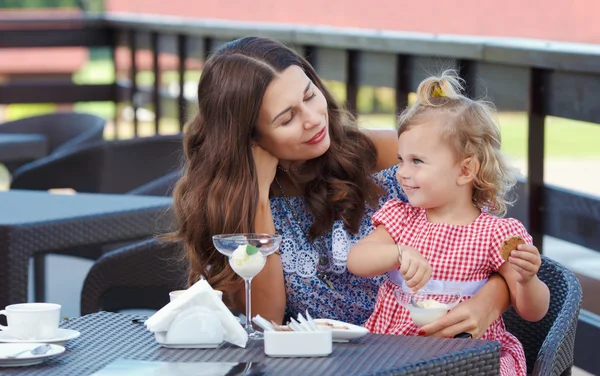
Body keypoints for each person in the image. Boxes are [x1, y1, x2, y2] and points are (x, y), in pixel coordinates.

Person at [170, 36, 516, 339]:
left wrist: (491, 301)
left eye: (310, 95)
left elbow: (490, 241)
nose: (313, 118)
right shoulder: (237, 202)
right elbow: (266, 321)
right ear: (249, 138)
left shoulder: (387, 154)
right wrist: (258, 198)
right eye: (286, 118)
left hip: (422, 351)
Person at [347, 70, 550, 375]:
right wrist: (397, 253)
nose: (401, 172)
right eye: (401, 159)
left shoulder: (496, 233)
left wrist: (526, 279)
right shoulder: (401, 218)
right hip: (393, 352)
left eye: (417, 161)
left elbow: (534, 311)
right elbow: (356, 260)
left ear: (466, 170)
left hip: (465, 359)